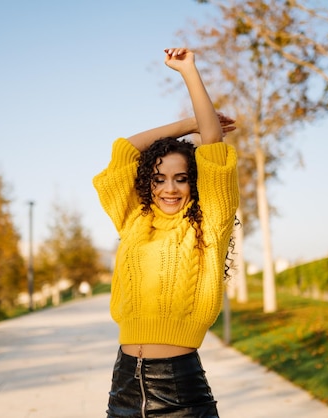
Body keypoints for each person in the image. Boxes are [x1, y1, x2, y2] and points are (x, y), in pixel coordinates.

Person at [93, 47, 239, 417]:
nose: (169, 189)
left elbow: (215, 152)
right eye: (158, 179)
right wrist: (186, 126)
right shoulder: (134, 219)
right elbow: (123, 152)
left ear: (194, 182)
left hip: (180, 389)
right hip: (124, 383)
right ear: (148, 183)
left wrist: (189, 72)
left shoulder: (209, 221)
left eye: (180, 178)